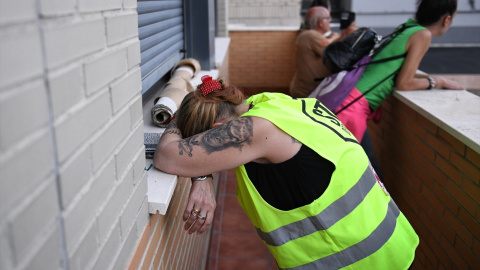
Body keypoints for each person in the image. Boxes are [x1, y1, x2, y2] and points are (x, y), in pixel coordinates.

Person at [154, 75, 419, 269]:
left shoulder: (258, 131)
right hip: (387, 237)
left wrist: (175, 117)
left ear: (220, 129)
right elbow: (200, 156)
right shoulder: (273, 103)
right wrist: (203, 173)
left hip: (362, 261)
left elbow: (168, 156)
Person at [336, 0, 465, 143]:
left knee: (364, 163)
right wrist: (438, 81)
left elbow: (399, 69)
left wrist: (433, 78)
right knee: (352, 164)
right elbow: (404, 83)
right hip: (353, 108)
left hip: (348, 98)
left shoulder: (408, 27)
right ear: (447, 20)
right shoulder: (423, 35)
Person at [289, 6, 340, 98]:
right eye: (328, 18)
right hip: (308, 93)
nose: (330, 21)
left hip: (301, 89)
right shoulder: (312, 36)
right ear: (320, 22)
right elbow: (333, 51)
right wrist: (339, 37)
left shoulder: (305, 34)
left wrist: (332, 38)